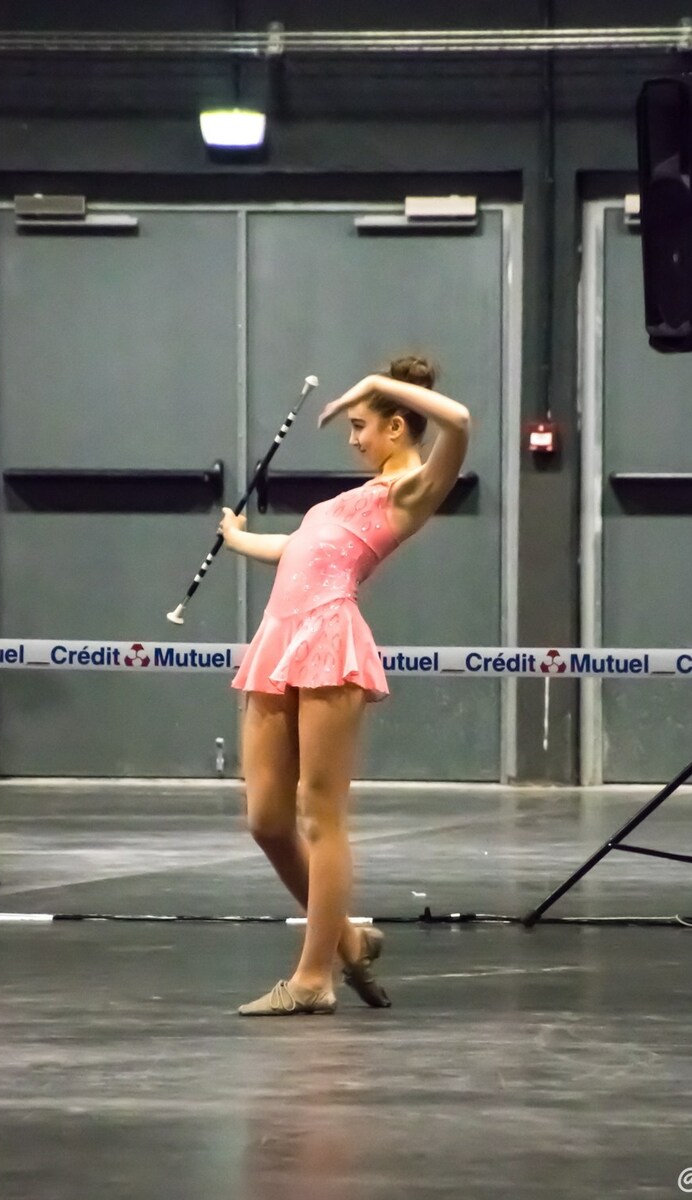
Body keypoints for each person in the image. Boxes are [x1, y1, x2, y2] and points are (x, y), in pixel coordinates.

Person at [219, 355, 471, 1016]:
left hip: (329, 638)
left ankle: (314, 979)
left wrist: (375, 383)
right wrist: (238, 539)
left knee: (319, 813)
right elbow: (299, 549)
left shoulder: (413, 486)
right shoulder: (347, 499)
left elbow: (461, 422)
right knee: (267, 819)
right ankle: (350, 938)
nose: (353, 438)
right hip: (279, 635)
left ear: (395, 425)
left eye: (361, 425)